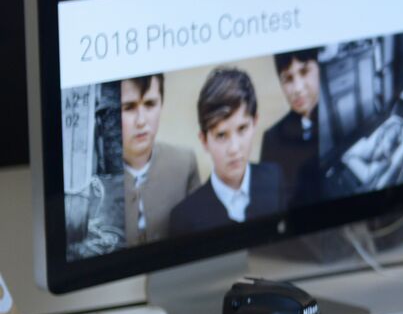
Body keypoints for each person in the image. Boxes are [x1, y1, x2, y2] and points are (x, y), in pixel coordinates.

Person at [169, 68, 283, 236]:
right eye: (221, 135)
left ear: (255, 122)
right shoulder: (184, 217)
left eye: (242, 128)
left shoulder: (275, 179)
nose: (234, 148)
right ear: (204, 141)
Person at [116, 74, 199, 246]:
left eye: (150, 104)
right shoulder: (95, 182)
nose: (141, 121)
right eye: (129, 107)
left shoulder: (184, 163)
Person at [259, 48, 329, 207]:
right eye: (288, 79)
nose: (297, 88)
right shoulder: (272, 139)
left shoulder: (341, 118)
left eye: (304, 72)